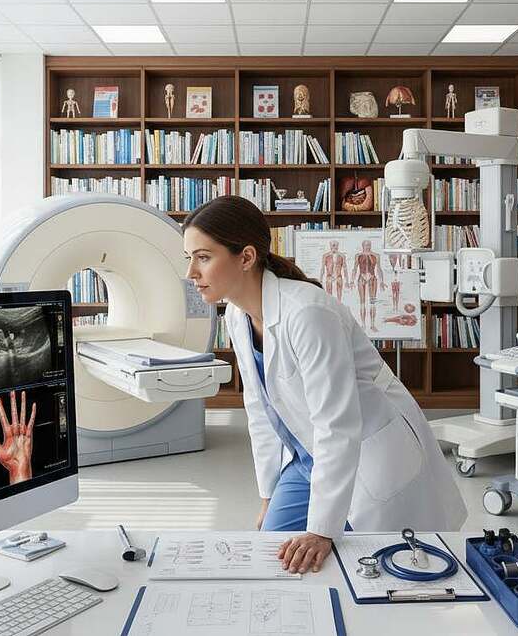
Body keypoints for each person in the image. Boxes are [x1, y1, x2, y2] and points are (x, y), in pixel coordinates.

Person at [182, 196, 466, 576]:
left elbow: (338, 425)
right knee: (272, 551)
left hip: (366, 451)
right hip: (305, 459)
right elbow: (260, 410)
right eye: (189, 258)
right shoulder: (237, 314)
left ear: (246, 257)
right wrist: (268, 495)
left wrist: (321, 531)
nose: (191, 272)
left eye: (202, 257)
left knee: (353, 565)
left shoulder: (308, 314)